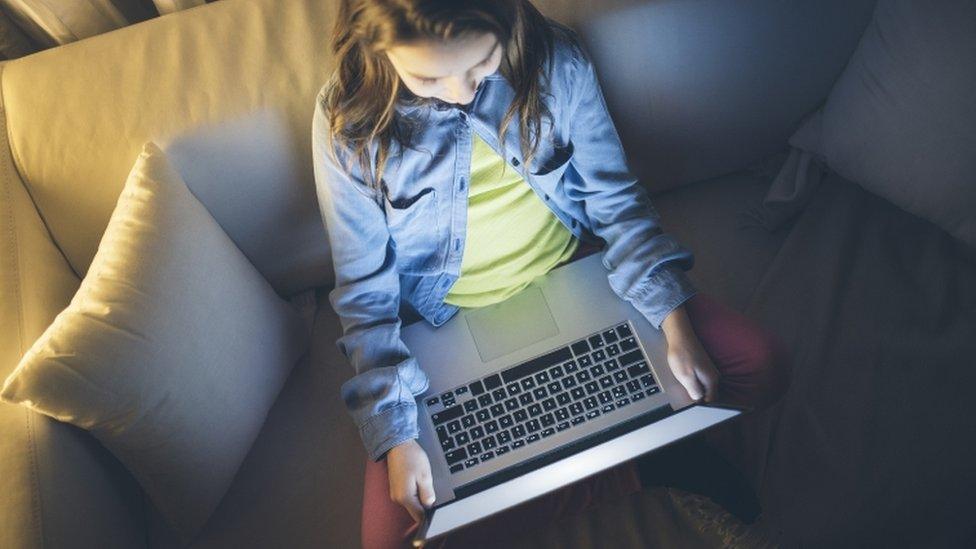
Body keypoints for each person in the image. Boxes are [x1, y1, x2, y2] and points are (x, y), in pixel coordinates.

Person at [311, 1, 789, 547]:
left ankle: (605, 467)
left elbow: (616, 202)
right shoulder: (345, 124)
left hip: (577, 273)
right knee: (397, 537)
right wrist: (397, 437)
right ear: (375, 44)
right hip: (442, 324)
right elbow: (366, 297)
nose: (462, 93)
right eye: (427, 76)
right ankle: (638, 468)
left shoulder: (555, 62)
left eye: (479, 66)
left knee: (762, 366)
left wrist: (674, 321)